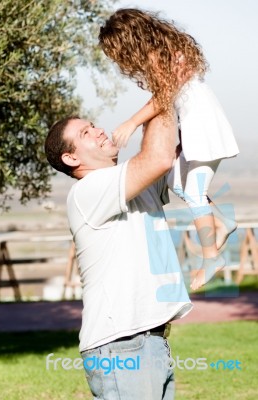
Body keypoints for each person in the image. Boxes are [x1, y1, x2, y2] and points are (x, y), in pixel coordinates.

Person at [45, 112, 193, 399]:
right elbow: (159, 157)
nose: (99, 131)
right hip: (121, 345)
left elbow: (174, 154)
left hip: (148, 341)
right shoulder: (88, 190)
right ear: (71, 159)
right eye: (85, 133)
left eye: (93, 126)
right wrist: (159, 87)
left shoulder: (131, 183)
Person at [98, 8, 239, 291]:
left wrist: (131, 122)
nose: (118, 59)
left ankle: (211, 257)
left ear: (130, 39)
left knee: (195, 191)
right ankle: (222, 221)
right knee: (177, 181)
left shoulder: (158, 53)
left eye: (118, 51)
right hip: (193, 125)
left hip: (204, 124)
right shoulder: (162, 51)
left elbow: (163, 99)